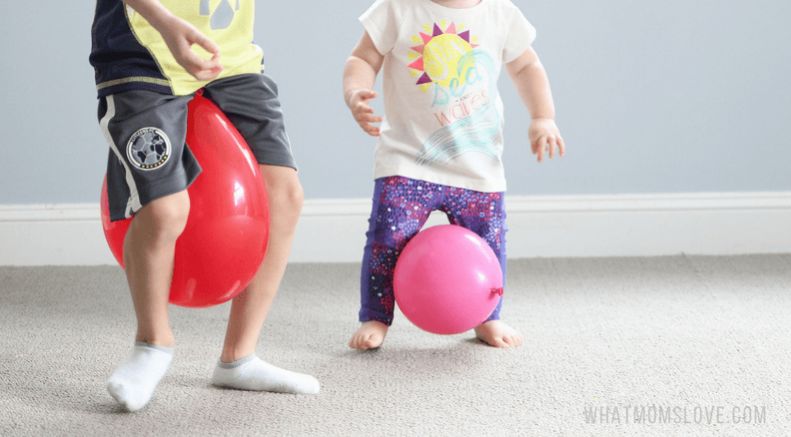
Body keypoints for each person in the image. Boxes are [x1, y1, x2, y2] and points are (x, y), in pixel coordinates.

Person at [90, 0, 319, 412]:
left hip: (229, 59)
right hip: (144, 57)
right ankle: (152, 343)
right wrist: (164, 22)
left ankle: (239, 357)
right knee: (165, 209)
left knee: (285, 196)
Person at [343, 0, 565, 349]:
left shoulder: (500, 13)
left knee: (489, 243)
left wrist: (543, 116)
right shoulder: (397, 8)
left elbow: (526, 66)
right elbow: (363, 58)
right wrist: (355, 93)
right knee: (386, 240)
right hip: (407, 160)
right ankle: (375, 315)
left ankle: (486, 315)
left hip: (477, 165)